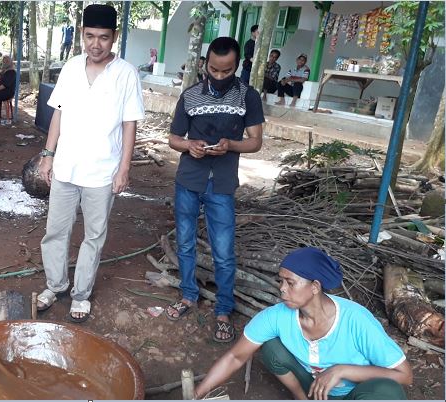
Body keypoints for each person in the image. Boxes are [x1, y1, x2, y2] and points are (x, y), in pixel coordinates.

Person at [35, 4, 145, 323]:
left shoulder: (126, 73)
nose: (96, 44)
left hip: (102, 171)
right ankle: (55, 285)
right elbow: (59, 111)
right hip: (66, 166)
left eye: (103, 37)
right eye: (90, 36)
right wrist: (48, 153)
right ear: (82, 35)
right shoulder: (71, 66)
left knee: (93, 236)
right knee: (55, 230)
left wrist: (124, 168)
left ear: (114, 38)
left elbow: (129, 124)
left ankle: (81, 293)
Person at [194, 247, 412, 400]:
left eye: (290, 282)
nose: (281, 288)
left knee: (387, 392)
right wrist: (195, 396)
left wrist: (342, 370)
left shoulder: (356, 320)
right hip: (313, 389)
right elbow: (235, 357)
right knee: (272, 348)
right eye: (281, 280)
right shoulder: (276, 316)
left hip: (357, 394)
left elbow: (404, 376)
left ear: (315, 286)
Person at [165, 37, 264, 343]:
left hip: (221, 183)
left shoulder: (248, 96)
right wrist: (189, 145)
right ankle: (188, 295)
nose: (219, 77)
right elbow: (173, 138)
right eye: (214, 70)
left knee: (223, 251)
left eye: (227, 71)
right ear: (204, 64)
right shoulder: (190, 95)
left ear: (236, 67)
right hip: (189, 179)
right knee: (184, 242)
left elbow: (256, 142)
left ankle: (223, 309)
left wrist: (231, 145)